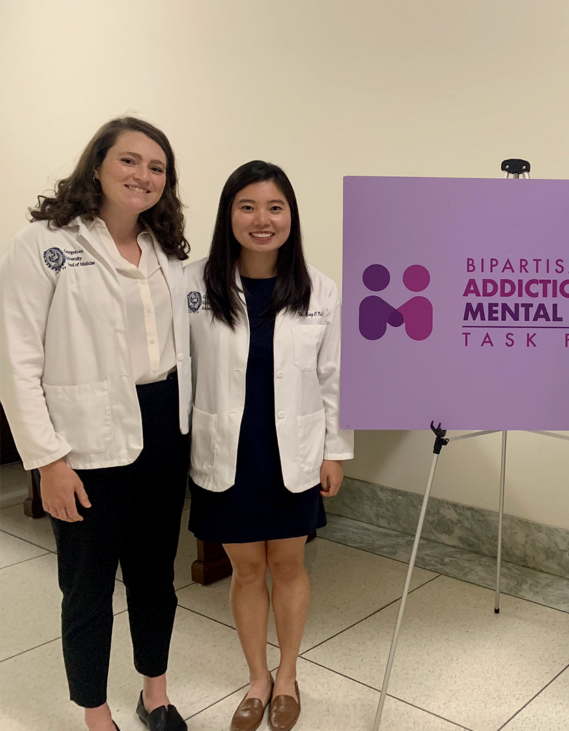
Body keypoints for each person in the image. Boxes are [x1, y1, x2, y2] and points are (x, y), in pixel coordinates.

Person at [0, 117, 192, 731]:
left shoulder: (167, 249)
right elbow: (16, 360)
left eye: (157, 167)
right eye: (130, 161)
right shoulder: (45, 242)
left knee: (154, 577)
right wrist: (47, 460)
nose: (143, 175)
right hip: (83, 440)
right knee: (86, 587)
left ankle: (155, 693)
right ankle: (95, 712)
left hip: (163, 426)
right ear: (98, 167)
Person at [186, 160, 353, 731]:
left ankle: (288, 676)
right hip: (225, 449)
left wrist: (335, 450)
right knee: (246, 569)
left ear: (291, 216)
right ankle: (257, 678)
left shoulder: (319, 286)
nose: (262, 220)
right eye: (248, 207)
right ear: (229, 214)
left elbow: (335, 376)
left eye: (275, 207)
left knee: (287, 563)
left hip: (293, 450)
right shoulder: (195, 282)